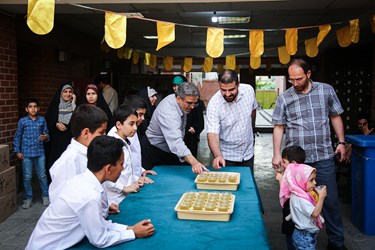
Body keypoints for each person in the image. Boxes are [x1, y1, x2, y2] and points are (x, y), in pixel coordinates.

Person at [26, 136, 155, 249]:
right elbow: (100, 239)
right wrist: (134, 234)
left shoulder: (83, 180)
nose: (122, 168)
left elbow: (99, 222)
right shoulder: (89, 195)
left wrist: (130, 228)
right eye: (121, 164)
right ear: (108, 168)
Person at [272, 58, 346, 250]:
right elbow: (278, 126)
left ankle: (336, 243)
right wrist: (276, 154)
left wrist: (342, 142)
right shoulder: (285, 97)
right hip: (296, 163)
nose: (294, 83)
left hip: (323, 156)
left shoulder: (326, 90)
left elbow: (335, 115)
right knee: (290, 204)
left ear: (308, 74)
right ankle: (293, 245)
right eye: (291, 80)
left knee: (329, 202)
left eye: (298, 79)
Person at [48, 104, 115, 217]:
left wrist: (103, 206)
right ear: (85, 133)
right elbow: (63, 205)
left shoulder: (91, 153)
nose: (105, 136)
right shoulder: (69, 160)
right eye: (101, 132)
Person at [140, 82, 209, 174]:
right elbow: (176, 141)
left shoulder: (180, 102)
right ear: (178, 98)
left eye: (194, 103)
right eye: (189, 103)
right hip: (153, 150)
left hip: (169, 150)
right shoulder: (168, 111)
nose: (192, 107)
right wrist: (194, 162)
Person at [206, 69, 257, 170]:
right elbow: (212, 133)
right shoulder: (214, 104)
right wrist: (217, 156)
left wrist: (252, 129)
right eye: (223, 90)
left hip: (248, 153)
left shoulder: (249, 90)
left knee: (247, 183)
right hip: (226, 156)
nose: (228, 94)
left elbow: (253, 110)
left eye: (231, 89)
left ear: (238, 85)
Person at [279, 163, 327, 250]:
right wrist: (321, 198)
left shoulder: (296, 193)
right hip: (305, 235)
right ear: (300, 180)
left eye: (314, 179)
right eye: (311, 180)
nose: (315, 183)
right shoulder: (302, 199)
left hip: (301, 233)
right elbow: (315, 213)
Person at [13, 98, 50, 209]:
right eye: (30, 107)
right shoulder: (22, 121)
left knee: (42, 175)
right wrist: (17, 151)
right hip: (26, 153)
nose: (33, 109)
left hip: (39, 152)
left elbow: (47, 134)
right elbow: (17, 137)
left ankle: (45, 196)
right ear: (26, 109)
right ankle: (28, 198)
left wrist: (45, 137)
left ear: (38, 108)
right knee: (27, 177)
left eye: (35, 106)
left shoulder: (42, 120)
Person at [105, 104, 144, 205]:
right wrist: (123, 188)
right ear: (119, 125)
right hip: (116, 199)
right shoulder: (112, 144)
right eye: (131, 124)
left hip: (128, 194)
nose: (135, 128)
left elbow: (127, 169)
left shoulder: (125, 140)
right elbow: (105, 175)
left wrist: (135, 180)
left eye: (136, 124)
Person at [275, 145, 306, 250]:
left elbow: (286, 194)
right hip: (300, 219)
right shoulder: (304, 175)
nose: (282, 164)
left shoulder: (292, 178)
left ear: (292, 164)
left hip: (292, 216)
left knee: (292, 239)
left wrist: (280, 180)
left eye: (284, 162)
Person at [45, 83, 76, 173]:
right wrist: (55, 124)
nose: (68, 94)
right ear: (61, 93)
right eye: (65, 92)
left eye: (70, 92)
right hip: (57, 141)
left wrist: (73, 103)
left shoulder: (75, 106)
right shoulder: (55, 106)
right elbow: (49, 120)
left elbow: (78, 120)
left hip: (70, 139)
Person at [172, 75, 205, 158]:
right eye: (174, 85)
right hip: (176, 137)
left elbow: (200, 121)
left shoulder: (196, 103)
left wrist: (195, 129)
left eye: (178, 85)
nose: (176, 88)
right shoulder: (170, 102)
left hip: (190, 138)